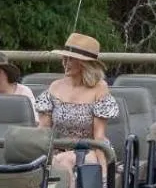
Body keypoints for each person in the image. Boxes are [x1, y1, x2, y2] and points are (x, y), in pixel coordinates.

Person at [35, 32, 119, 171]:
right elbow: (43, 130)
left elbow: (99, 136)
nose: (65, 63)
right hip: (57, 150)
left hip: (90, 150)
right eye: (64, 58)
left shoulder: (99, 88)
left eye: (71, 59)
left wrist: (104, 172)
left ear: (84, 64)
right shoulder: (55, 87)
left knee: (67, 161)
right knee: (55, 162)